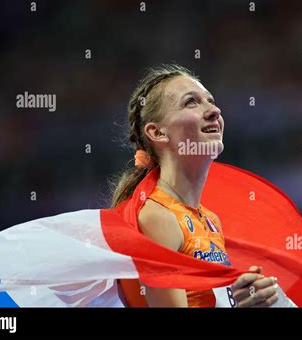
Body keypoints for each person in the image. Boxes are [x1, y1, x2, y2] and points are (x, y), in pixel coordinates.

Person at [111, 64, 279, 307]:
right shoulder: (157, 217)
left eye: (210, 100)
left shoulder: (210, 220)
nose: (214, 111)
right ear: (158, 132)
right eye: (191, 102)